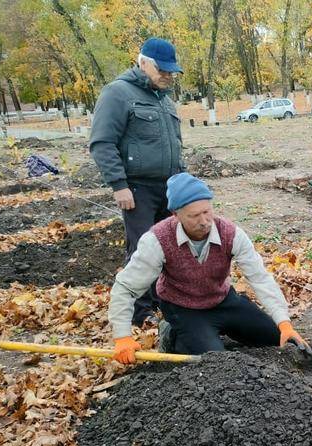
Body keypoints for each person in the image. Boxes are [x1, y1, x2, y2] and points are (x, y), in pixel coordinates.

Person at [108, 173, 309, 363]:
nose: (204, 221)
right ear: (175, 215)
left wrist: (284, 323)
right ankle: (171, 333)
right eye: (194, 216)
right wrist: (122, 336)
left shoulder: (231, 234)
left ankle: (215, 331)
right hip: (183, 308)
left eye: (207, 211)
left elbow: (260, 278)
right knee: (216, 362)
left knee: (277, 339)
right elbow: (126, 287)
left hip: (222, 300)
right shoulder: (157, 240)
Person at [90, 37, 185, 326]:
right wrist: (119, 184)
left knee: (170, 246)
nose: (168, 76)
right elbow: (102, 142)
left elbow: (175, 145)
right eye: (162, 70)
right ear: (142, 62)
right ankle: (140, 312)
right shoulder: (118, 93)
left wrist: (181, 180)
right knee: (143, 250)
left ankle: (163, 301)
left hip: (168, 187)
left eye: (172, 71)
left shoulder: (164, 99)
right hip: (137, 189)